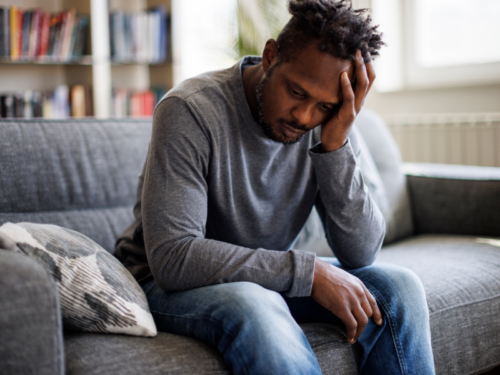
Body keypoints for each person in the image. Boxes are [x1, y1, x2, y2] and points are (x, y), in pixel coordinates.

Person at [114, 0, 436, 373]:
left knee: (398, 288)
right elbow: (173, 257)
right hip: (164, 284)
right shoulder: (190, 110)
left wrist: (335, 145)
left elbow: (361, 252)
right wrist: (309, 273)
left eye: (324, 106)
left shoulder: (331, 124)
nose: (304, 117)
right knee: (255, 302)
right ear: (270, 56)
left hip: (259, 278)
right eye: (297, 92)